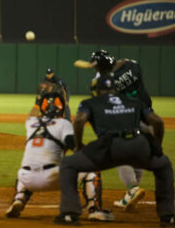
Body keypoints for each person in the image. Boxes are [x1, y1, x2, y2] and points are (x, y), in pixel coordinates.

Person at [54, 74, 174, 226]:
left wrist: (78, 146)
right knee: (163, 165)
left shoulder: (91, 102)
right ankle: (168, 216)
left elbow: (78, 121)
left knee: (68, 164)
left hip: (110, 147)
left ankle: (69, 214)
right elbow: (157, 121)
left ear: (95, 90)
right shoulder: (134, 101)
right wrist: (157, 147)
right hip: (139, 144)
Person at [5, 91, 113, 221]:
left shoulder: (31, 122)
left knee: (28, 167)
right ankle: (94, 209)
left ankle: (19, 199)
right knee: (91, 169)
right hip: (51, 177)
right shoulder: (63, 123)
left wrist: (37, 103)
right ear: (61, 109)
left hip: (26, 179)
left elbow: (32, 114)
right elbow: (73, 145)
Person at [89, 50, 152, 210]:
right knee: (139, 156)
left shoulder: (103, 80)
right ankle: (130, 195)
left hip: (127, 119)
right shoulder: (133, 65)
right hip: (148, 116)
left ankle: (132, 188)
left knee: (119, 155)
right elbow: (123, 63)